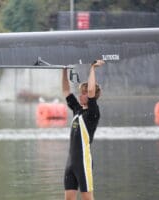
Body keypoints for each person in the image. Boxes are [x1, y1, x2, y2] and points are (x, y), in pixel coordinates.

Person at [62, 60, 105, 200]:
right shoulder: (77, 110)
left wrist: (92, 68)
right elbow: (66, 91)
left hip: (83, 162)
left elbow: (92, 91)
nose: (80, 95)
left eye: (84, 93)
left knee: (87, 198)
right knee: (69, 198)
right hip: (71, 164)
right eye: (81, 92)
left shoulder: (93, 113)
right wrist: (64, 69)